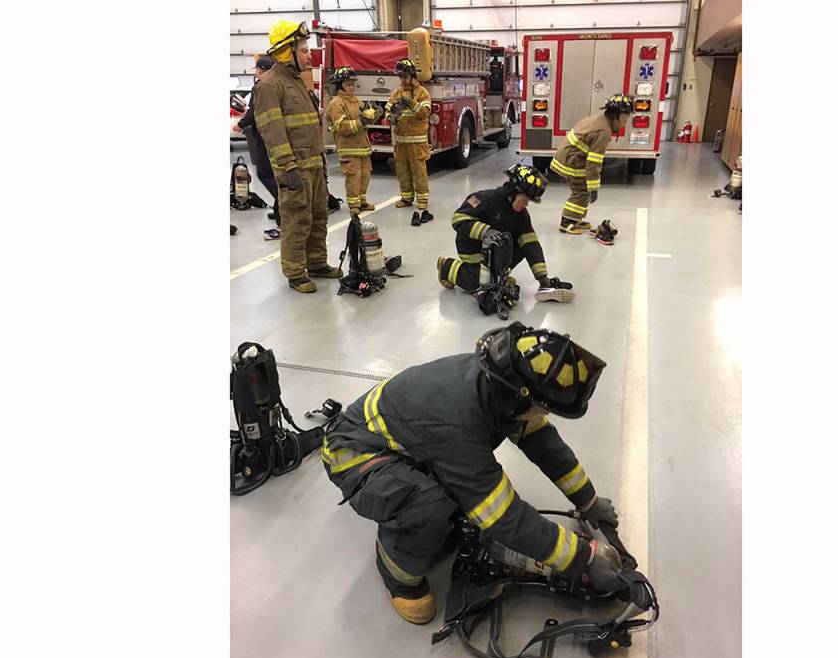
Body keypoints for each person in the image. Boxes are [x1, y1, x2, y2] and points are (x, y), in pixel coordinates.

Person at [320, 322, 624, 624]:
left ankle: (416, 497)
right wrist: (581, 557)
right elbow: (502, 515)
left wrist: (588, 500)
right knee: (430, 507)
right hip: (354, 454)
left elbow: (544, 444)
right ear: (520, 399)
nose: (544, 415)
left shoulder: (498, 380)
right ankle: (397, 571)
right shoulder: (458, 421)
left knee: (459, 496)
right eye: (542, 408)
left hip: (404, 444)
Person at [253, 20, 340, 293]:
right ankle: (294, 271)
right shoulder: (270, 86)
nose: (307, 55)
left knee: (317, 216)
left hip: (313, 165)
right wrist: (288, 166)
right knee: (296, 219)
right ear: (285, 52)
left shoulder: (297, 82)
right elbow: (272, 131)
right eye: (302, 50)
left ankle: (316, 263)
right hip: (294, 169)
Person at [437, 164, 575, 312]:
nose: (526, 204)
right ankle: (446, 267)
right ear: (513, 192)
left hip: (493, 249)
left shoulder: (521, 214)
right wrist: (486, 231)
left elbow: (530, 243)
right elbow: (458, 218)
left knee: (520, 245)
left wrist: (542, 278)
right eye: (525, 199)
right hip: (472, 248)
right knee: (477, 284)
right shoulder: (485, 199)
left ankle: (498, 276)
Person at [550, 94, 634, 235]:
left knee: (582, 190)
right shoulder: (604, 131)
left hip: (568, 156)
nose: (627, 120)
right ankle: (567, 222)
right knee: (581, 191)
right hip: (572, 160)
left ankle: (575, 218)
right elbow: (594, 161)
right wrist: (594, 187)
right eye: (626, 116)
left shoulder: (599, 120)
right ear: (616, 115)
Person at [235, 55, 281, 240]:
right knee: (276, 174)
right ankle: (280, 209)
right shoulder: (279, 85)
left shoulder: (262, 87)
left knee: (265, 174)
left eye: (256, 69)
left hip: (266, 137)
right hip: (277, 137)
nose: (256, 72)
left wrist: (240, 124)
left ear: (261, 70)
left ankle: (283, 208)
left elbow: (254, 112)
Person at [386, 58, 433, 226]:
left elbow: (424, 112)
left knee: (419, 171)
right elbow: (387, 113)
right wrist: (392, 115)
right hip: (401, 142)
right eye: (401, 77)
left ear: (413, 76)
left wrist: (411, 103)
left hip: (417, 141)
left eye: (405, 76)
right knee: (402, 171)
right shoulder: (396, 93)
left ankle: (422, 200)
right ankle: (406, 198)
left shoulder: (422, 93)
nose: (403, 80)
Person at [326, 66, 378, 216]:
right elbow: (342, 127)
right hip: (348, 148)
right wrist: (361, 121)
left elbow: (366, 119)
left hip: (363, 146)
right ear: (339, 85)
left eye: (352, 84)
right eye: (347, 84)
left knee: (365, 175)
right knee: (353, 177)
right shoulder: (336, 103)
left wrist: (373, 114)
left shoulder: (356, 101)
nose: (351, 87)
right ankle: (353, 205)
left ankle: (362, 201)